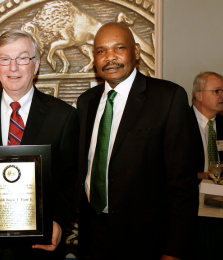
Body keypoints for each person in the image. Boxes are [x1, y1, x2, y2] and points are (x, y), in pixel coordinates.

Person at [76, 22, 199, 260]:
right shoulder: (86, 102)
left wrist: (174, 250)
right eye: (101, 51)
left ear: (137, 53)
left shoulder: (168, 98)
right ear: (94, 59)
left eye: (118, 48)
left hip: (145, 239)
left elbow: (182, 184)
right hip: (93, 234)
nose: (109, 57)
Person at [0, 29, 78, 260]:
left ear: (35, 66)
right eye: (4, 59)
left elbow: (73, 180)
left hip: (41, 247)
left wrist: (58, 221)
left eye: (22, 58)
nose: (13, 67)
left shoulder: (63, 116)